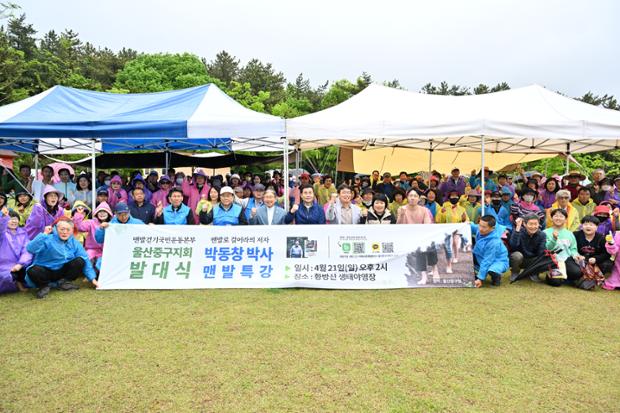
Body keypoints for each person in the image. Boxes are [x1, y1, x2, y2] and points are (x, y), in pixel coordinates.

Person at [25, 217, 98, 299]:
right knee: (33, 270)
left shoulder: (74, 242)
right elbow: (30, 249)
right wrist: (44, 234)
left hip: (62, 272)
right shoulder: (47, 238)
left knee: (80, 261)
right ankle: (44, 286)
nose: (65, 232)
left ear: (72, 231)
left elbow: (85, 259)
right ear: (56, 228)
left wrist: (92, 279)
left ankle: (64, 283)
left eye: (68, 230)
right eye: (62, 229)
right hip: (45, 271)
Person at [544, 209, 582, 287]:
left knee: (577, 273)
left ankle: (565, 276)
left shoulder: (570, 234)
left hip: (567, 260)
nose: (558, 218)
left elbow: (573, 249)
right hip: (553, 260)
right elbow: (547, 248)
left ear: (565, 219)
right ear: (552, 218)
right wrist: (554, 239)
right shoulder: (545, 232)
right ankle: (550, 275)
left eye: (561, 216)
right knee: (556, 282)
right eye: (556, 216)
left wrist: (576, 255)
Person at [471, 215, 509, 287]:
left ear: (492, 228)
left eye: (484, 227)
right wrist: (466, 224)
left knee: (492, 270)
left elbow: (487, 260)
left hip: (498, 261)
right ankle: (475, 274)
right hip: (481, 256)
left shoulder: (494, 242)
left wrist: (480, 279)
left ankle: (496, 278)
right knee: (468, 257)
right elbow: (471, 226)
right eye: (480, 225)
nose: (480, 229)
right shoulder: (480, 229)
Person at [0, 208, 31, 293]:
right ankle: (16, 283)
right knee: (6, 277)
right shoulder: (3, 233)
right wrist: (4, 218)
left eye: (15, 219)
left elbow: (27, 250)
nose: (13, 221)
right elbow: (1, 228)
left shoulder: (23, 233)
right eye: (10, 219)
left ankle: (19, 282)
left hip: (20, 265)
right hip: (4, 267)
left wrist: (21, 264)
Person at [73, 201, 113, 267]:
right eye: (100, 211)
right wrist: (79, 214)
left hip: (107, 251)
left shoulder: (112, 224)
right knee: (86, 260)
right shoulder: (91, 222)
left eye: (104, 211)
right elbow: (79, 227)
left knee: (101, 265)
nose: (102, 213)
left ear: (109, 213)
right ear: (96, 213)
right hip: (92, 249)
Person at [509, 214, 547, 282]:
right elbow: (513, 246)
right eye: (531, 224)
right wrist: (518, 228)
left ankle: (533, 273)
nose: (533, 227)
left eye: (535, 224)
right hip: (520, 259)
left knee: (543, 256)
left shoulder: (542, 235)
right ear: (524, 224)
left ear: (539, 224)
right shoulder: (518, 232)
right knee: (516, 255)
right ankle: (515, 272)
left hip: (532, 260)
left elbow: (541, 252)